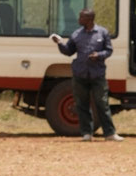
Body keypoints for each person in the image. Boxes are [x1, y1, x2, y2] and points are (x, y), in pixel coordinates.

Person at [50, 9, 122, 141]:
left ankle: (110, 133)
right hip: (80, 74)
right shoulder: (77, 34)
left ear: (90, 19)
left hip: (97, 74)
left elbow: (109, 50)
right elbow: (68, 51)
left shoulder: (102, 32)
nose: (79, 20)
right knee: (81, 103)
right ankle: (86, 133)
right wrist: (59, 43)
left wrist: (98, 55)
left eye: (82, 17)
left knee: (102, 103)